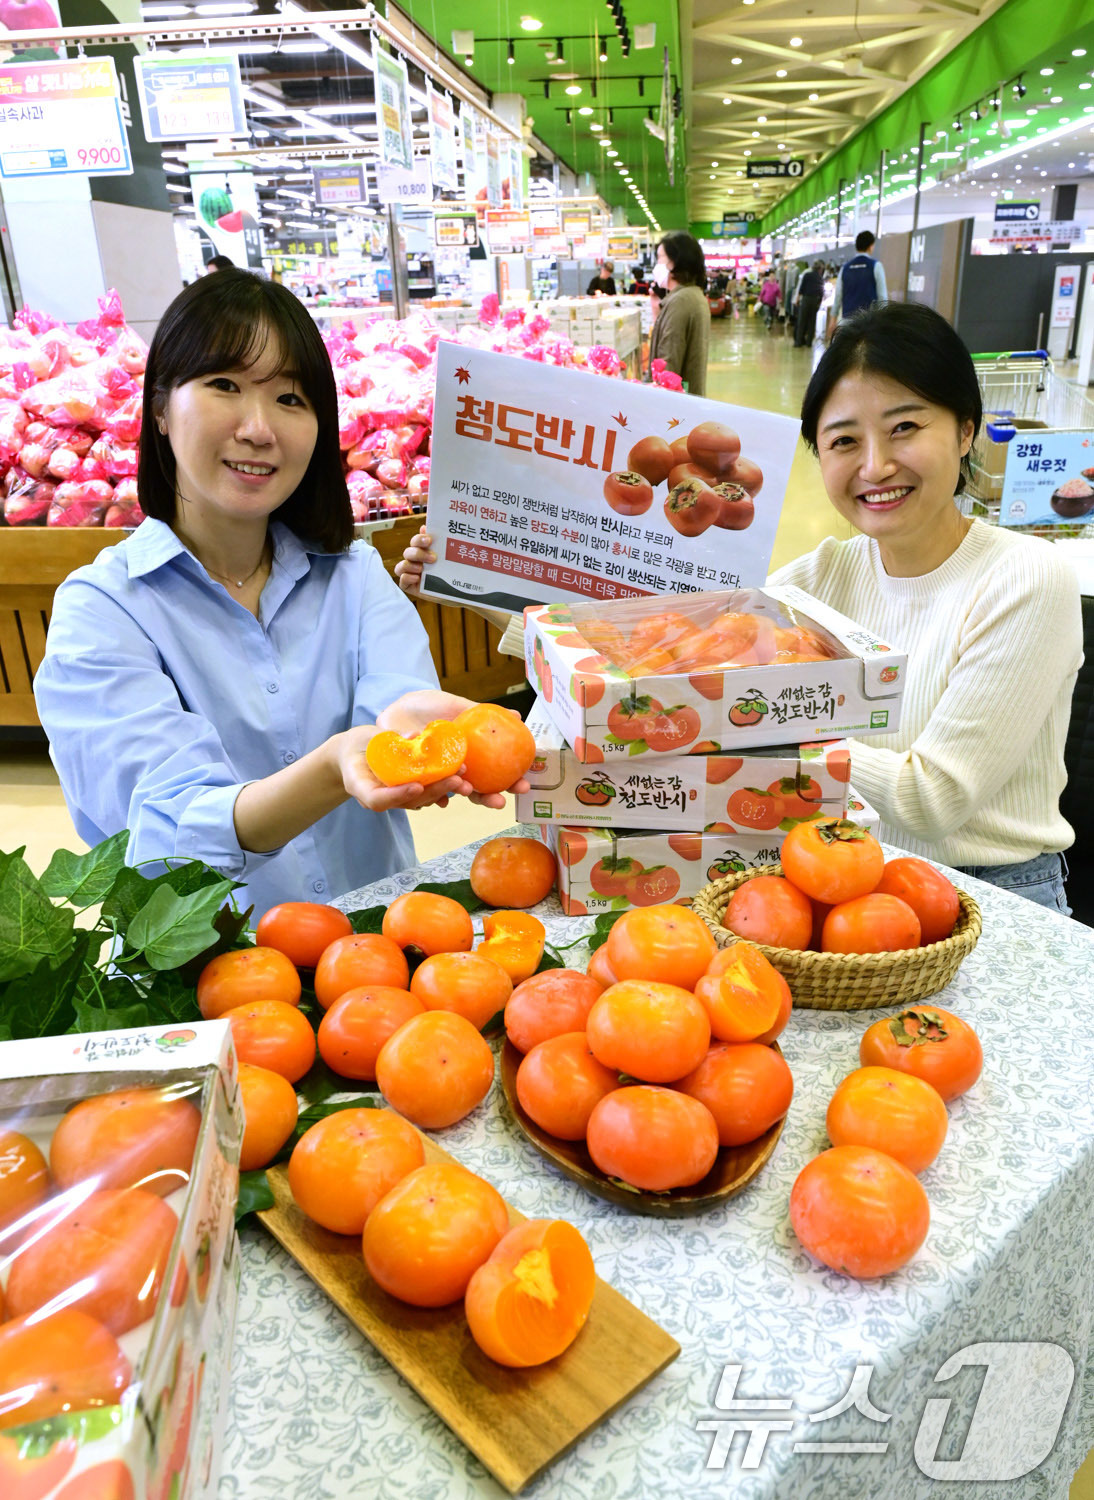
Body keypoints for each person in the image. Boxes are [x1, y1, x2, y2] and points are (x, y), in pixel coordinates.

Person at [33, 270, 528, 915]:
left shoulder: (354, 573)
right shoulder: (103, 609)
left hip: (374, 951)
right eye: (225, 386)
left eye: (291, 398)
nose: (259, 429)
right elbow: (162, 830)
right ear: (159, 407)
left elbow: (397, 709)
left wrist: (406, 739)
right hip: (200, 973)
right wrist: (331, 769)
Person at [771, 301, 1081, 912]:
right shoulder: (819, 577)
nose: (875, 466)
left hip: (993, 896)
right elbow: (674, 646)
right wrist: (528, 632)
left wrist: (757, 722)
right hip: (842, 879)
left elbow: (930, 800)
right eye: (843, 441)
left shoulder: (1026, 578)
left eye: (905, 428)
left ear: (966, 429)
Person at [647, 232, 710, 397]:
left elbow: (668, 364)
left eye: (660, 258)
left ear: (675, 262)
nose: (657, 265)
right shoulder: (693, 295)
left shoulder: (680, 302)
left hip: (673, 410)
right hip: (687, 400)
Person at [828, 230, 887, 333]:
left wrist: (833, 320)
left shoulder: (845, 268)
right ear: (870, 246)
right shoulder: (876, 266)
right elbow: (882, 297)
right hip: (868, 324)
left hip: (847, 322)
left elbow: (838, 295)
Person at [793, 260, 826, 348]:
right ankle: (809, 343)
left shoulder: (807, 275)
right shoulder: (820, 278)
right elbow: (822, 292)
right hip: (815, 300)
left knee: (802, 320)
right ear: (820, 269)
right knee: (812, 322)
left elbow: (801, 288)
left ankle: (798, 342)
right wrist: (819, 302)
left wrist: (797, 299)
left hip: (806, 299)